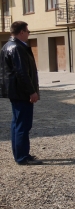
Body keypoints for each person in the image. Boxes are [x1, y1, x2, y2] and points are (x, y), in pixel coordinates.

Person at [0, 21, 42, 165]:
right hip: (21, 92)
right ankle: (22, 157)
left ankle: (22, 154)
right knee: (22, 125)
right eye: (28, 31)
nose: (29, 34)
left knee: (17, 123)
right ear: (22, 32)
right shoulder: (17, 48)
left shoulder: (8, 46)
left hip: (16, 91)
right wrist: (31, 92)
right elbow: (22, 73)